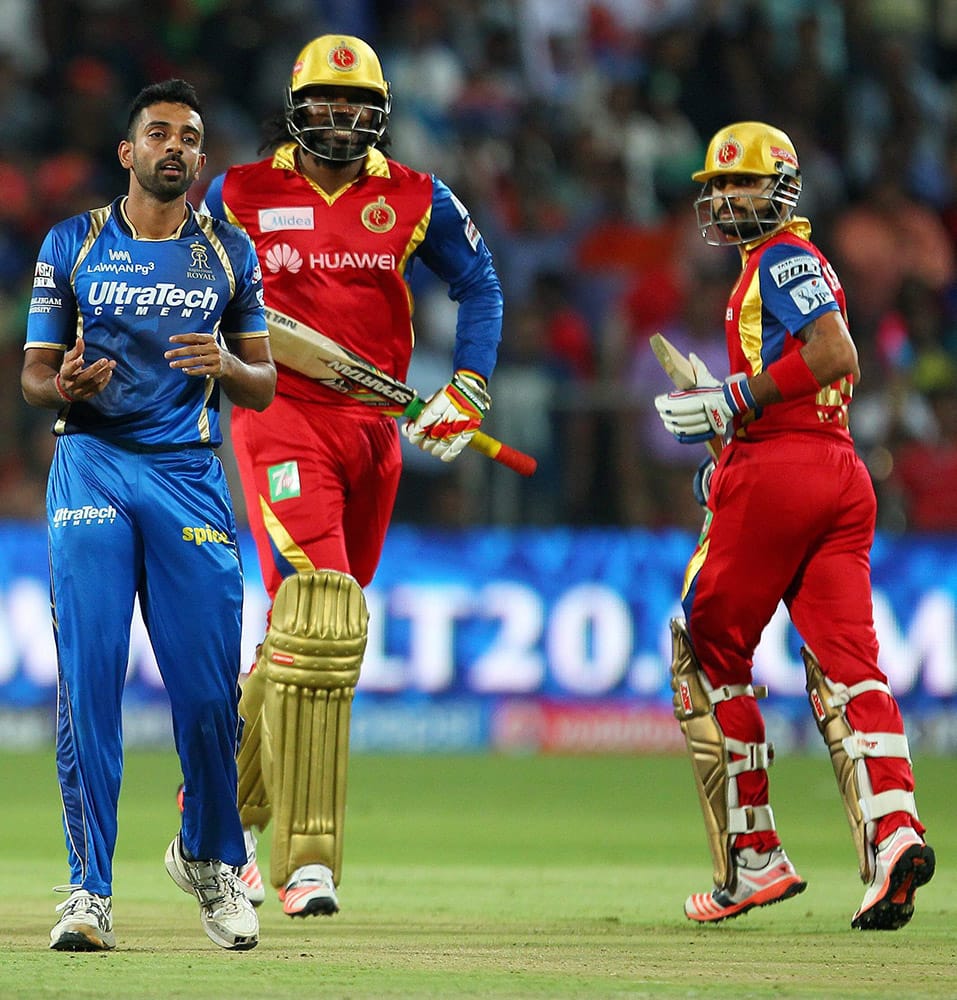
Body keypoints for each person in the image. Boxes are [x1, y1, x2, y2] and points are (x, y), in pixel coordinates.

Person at [197, 34, 503, 917]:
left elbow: (477, 282)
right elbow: (181, 277)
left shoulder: (414, 196)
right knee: (322, 606)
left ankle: (205, 820)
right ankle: (304, 861)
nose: (341, 118)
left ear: (381, 114)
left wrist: (469, 385)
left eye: (358, 105)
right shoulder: (240, 193)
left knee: (312, 627)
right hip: (276, 415)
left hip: (374, 430)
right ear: (296, 108)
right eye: (326, 103)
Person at [653, 122, 935, 929]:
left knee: (705, 658)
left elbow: (835, 352)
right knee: (851, 667)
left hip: (783, 472)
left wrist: (734, 406)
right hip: (837, 477)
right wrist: (728, 435)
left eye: (740, 184)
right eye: (717, 185)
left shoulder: (781, 259)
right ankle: (893, 836)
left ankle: (754, 860)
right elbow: (812, 380)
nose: (725, 198)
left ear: (780, 189)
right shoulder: (790, 264)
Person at [21, 78, 276, 952]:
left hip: (189, 476)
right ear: (128, 153)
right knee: (88, 684)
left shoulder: (230, 253)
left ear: (200, 159)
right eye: (158, 133)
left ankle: (209, 862)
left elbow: (265, 380)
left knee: (209, 696)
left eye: (190, 136)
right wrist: (63, 386)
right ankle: (88, 891)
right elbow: (34, 374)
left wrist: (226, 368)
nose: (176, 146)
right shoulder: (73, 242)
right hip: (90, 466)